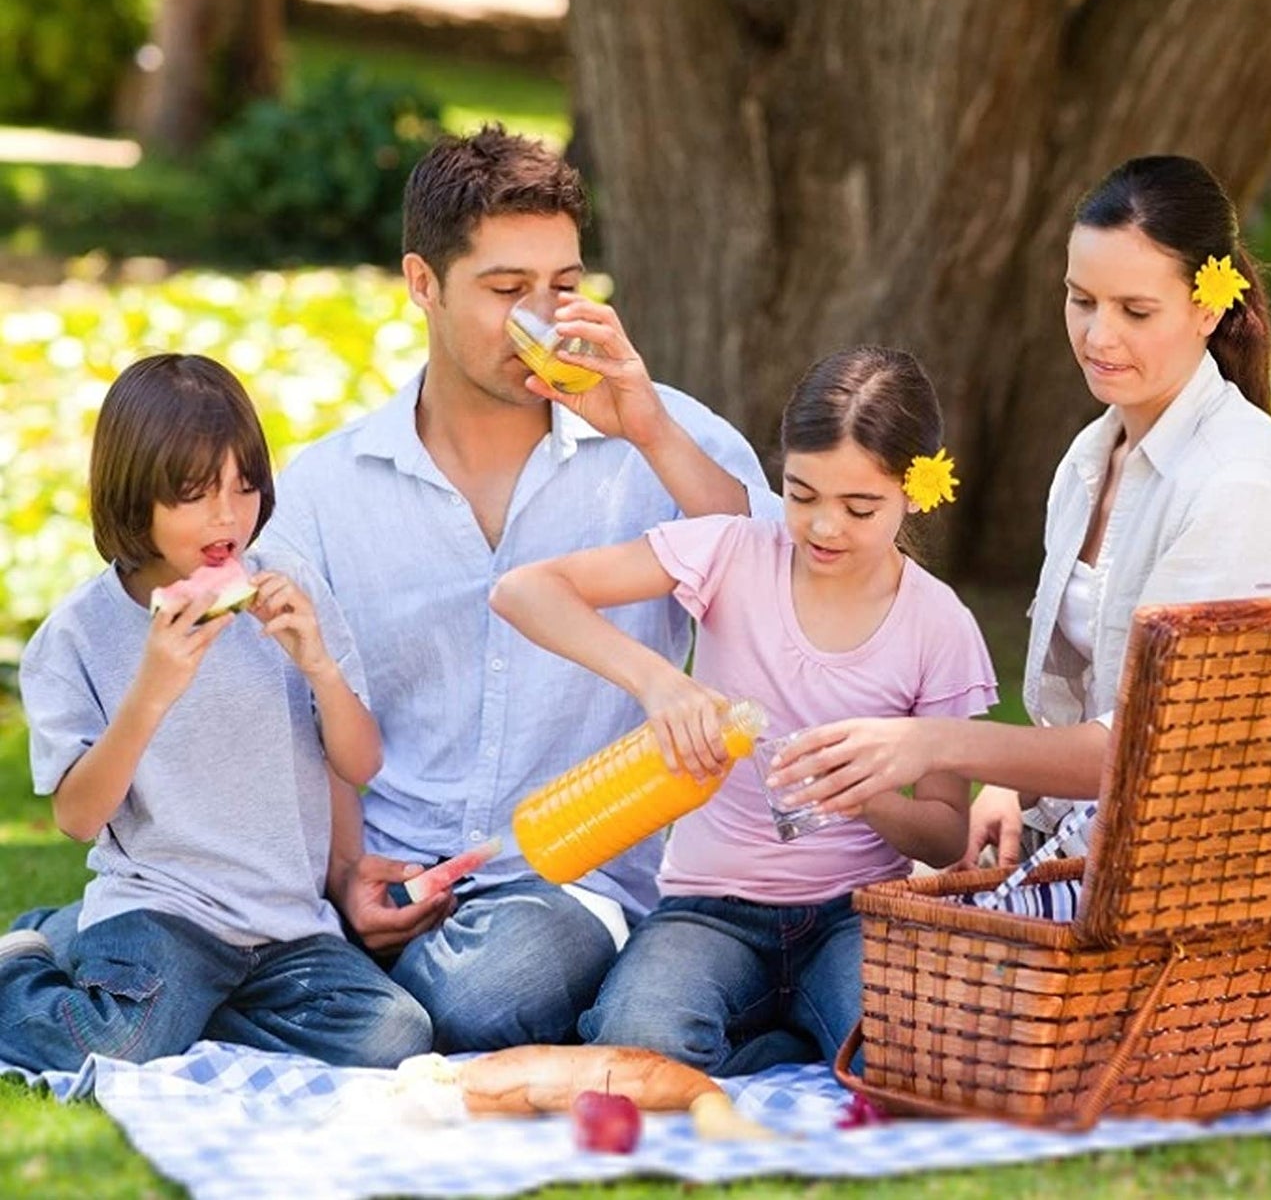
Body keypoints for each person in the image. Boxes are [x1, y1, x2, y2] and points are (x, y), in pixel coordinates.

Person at [264, 125, 777, 1053]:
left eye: (566, 287)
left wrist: (649, 430)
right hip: (394, 863)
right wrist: (344, 872)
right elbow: (298, 705)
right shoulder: (325, 488)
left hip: (574, 877)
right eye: (507, 291)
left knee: (485, 996)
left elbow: (789, 581)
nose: (544, 321)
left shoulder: (664, 439)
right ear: (422, 281)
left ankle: (362, 1004)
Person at [768, 154, 1271, 879]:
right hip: (1091, 834)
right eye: (1081, 299)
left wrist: (931, 743)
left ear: (1208, 306)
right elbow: (1083, 710)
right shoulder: (1090, 458)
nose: (1098, 336)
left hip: (1192, 873)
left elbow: (1148, 743)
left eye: (1135, 310)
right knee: (845, 899)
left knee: (883, 935)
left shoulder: (1236, 482)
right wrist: (1010, 782)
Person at [489, 345, 997, 1074]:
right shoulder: (733, 552)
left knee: (916, 1056)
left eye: (859, 507)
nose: (824, 527)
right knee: (641, 1042)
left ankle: (776, 1040)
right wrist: (659, 682)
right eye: (801, 494)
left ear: (915, 492)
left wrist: (871, 795)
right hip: (709, 908)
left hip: (855, 914)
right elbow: (522, 590)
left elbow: (948, 836)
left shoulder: (937, 624)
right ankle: (786, 1042)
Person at [0, 355, 432, 1073]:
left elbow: (360, 763)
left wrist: (317, 662)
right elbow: (79, 816)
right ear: (134, 498)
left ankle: (151, 994)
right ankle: (21, 967)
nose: (229, 515)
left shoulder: (289, 584)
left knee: (391, 1034)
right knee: (114, 1045)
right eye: (195, 494)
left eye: (245, 484)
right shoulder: (77, 634)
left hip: (287, 925)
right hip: (164, 911)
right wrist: (152, 690)